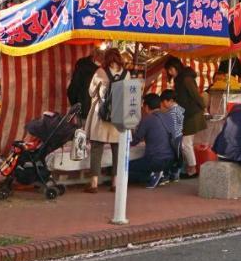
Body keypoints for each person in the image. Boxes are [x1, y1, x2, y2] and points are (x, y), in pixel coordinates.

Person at [84, 48, 126, 194]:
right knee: (117, 149)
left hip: (101, 115)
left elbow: (91, 92)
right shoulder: (126, 74)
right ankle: (115, 183)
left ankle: (94, 184)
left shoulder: (100, 72)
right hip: (118, 116)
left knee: (97, 148)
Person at [129, 94, 180, 188]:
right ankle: (162, 174)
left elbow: (135, 140)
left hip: (155, 159)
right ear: (160, 105)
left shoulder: (147, 119)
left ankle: (151, 176)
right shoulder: (169, 117)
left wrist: (124, 142)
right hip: (171, 159)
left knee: (126, 168)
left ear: (146, 107)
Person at [172, 62, 207, 177]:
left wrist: (203, 107)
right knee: (187, 143)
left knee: (186, 143)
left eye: (171, 69)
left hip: (192, 114)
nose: (170, 72)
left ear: (176, 67)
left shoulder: (186, 79)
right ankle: (190, 167)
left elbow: (196, 95)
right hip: (188, 114)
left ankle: (192, 169)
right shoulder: (181, 79)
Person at [67, 48, 101, 118]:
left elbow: (73, 89)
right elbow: (73, 89)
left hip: (85, 110)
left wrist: (76, 104)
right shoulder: (105, 70)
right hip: (94, 112)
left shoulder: (82, 65)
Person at [160, 89, 185, 180]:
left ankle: (174, 173)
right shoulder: (178, 109)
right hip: (179, 135)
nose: (163, 105)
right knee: (177, 154)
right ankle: (175, 173)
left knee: (175, 155)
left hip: (175, 137)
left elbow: (172, 127)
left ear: (170, 101)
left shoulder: (172, 112)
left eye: (164, 102)